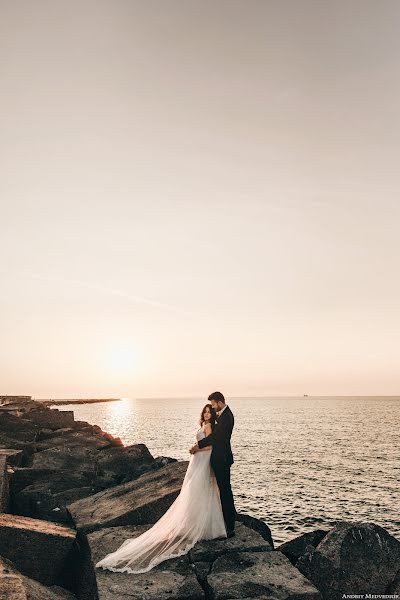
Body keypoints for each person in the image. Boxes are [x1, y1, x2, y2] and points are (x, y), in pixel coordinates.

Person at [95, 402, 227, 574]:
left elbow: (209, 446)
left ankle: (207, 526)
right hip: (198, 460)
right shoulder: (203, 425)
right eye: (205, 412)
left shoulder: (209, 426)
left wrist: (196, 449)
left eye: (210, 412)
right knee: (195, 491)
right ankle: (194, 522)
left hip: (203, 459)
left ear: (212, 415)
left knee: (200, 490)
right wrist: (196, 449)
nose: (207, 414)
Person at [190, 391, 236, 537]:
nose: (212, 407)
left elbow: (217, 437)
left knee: (225, 491)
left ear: (219, 402)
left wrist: (199, 445)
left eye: (214, 404)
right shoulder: (221, 415)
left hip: (222, 459)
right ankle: (226, 520)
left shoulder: (227, 416)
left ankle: (230, 525)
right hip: (218, 458)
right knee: (222, 490)